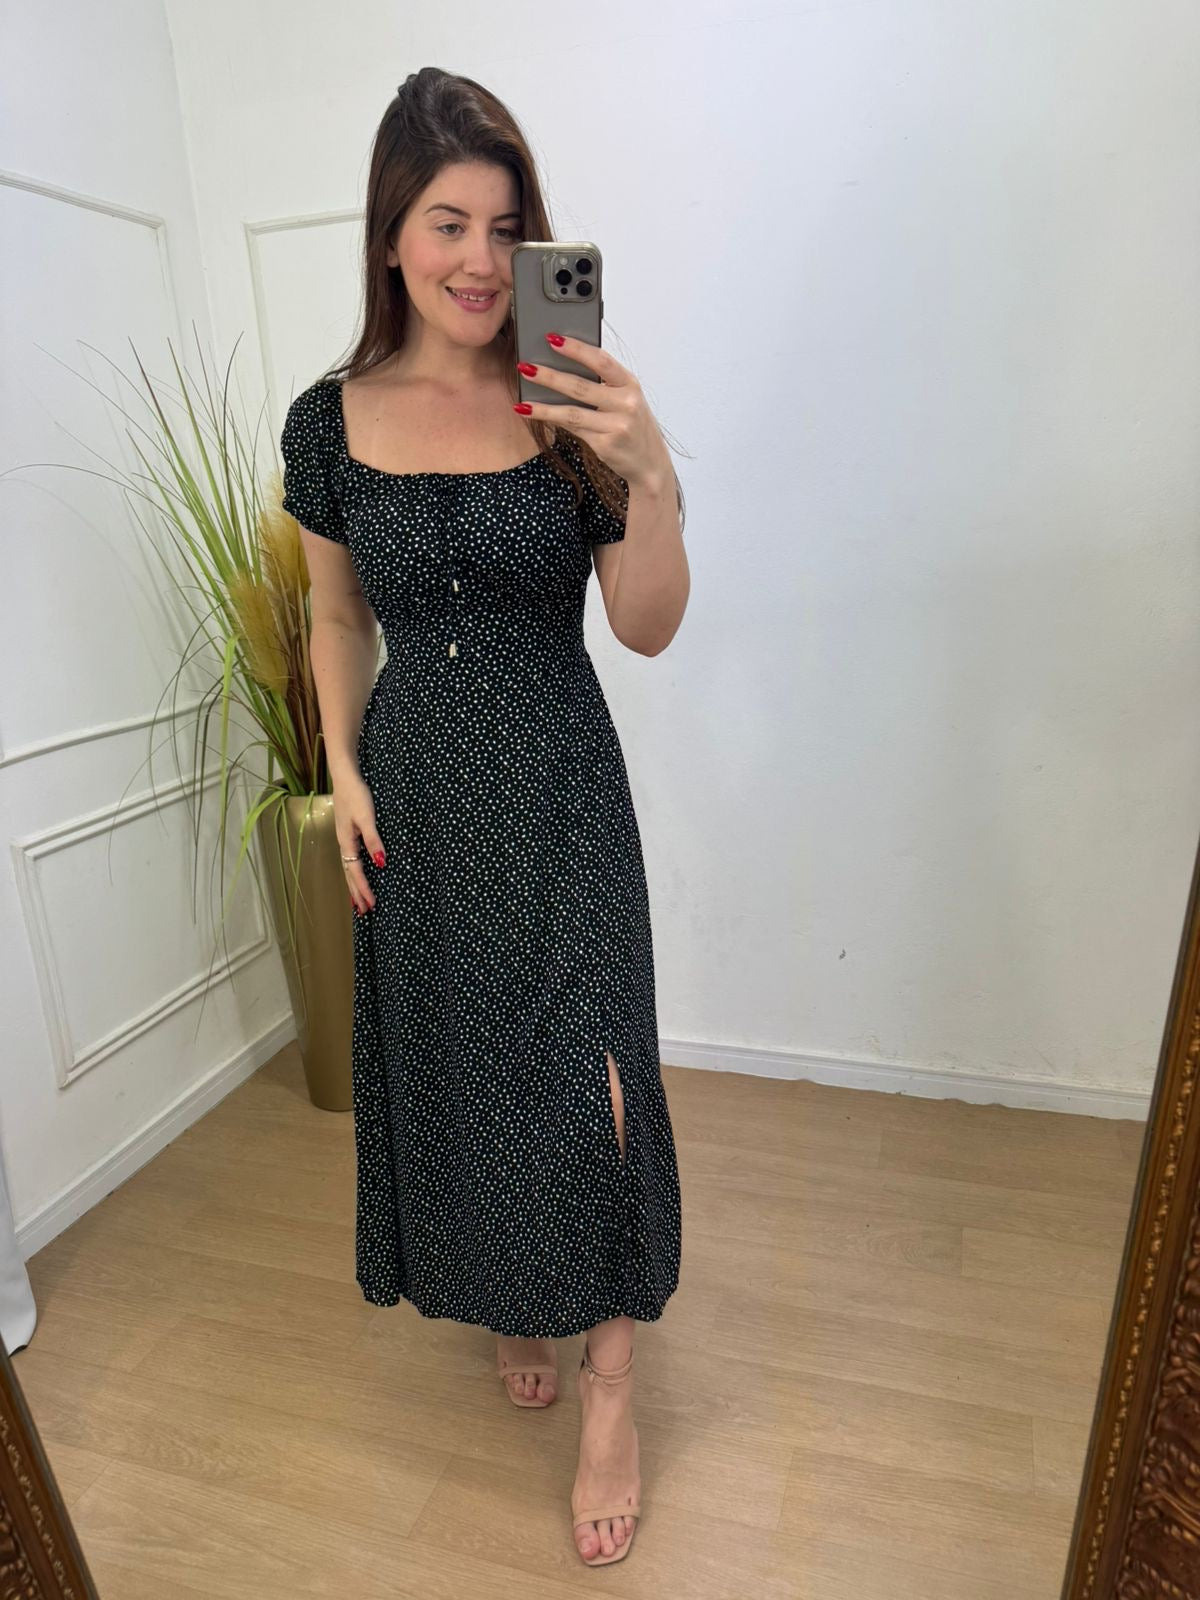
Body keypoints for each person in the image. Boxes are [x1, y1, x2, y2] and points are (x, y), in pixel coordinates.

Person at [278, 66, 689, 1568]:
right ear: (390, 233)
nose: (475, 258)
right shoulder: (329, 422)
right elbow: (336, 615)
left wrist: (651, 475)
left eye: (505, 228)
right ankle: (517, 1290)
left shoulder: (565, 400)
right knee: (468, 1066)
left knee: (598, 1077)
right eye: (447, 223)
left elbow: (645, 626)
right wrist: (344, 773)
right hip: (421, 799)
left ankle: (611, 1383)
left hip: (562, 780)